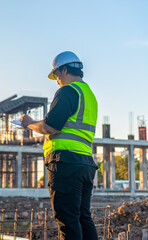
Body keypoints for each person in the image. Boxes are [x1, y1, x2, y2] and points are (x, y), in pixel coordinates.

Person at [20, 51, 98, 240]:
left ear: (63, 70)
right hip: (85, 163)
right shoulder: (89, 95)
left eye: (55, 75)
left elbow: (50, 126)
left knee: (67, 220)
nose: (56, 80)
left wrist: (28, 123)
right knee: (82, 217)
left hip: (65, 162)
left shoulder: (68, 91)